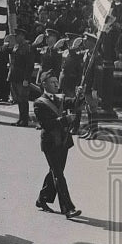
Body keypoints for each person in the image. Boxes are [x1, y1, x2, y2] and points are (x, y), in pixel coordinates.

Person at [32, 71, 81, 218]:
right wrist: (65, 120)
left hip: (63, 141)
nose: (56, 84)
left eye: (56, 82)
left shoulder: (61, 98)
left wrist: (80, 95)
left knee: (55, 171)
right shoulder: (39, 103)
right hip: (50, 143)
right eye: (52, 82)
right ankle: (68, 208)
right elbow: (47, 125)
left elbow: (75, 103)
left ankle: (42, 199)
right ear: (44, 84)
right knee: (59, 174)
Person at [7, 29, 35, 126]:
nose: (16, 37)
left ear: (22, 36)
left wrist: (26, 79)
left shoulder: (27, 47)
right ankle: (21, 119)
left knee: (23, 99)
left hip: (22, 78)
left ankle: (25, 120)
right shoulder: (16, 46)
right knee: (18, 99)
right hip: (15, 76)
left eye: (17, 35)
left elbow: (29, 64)